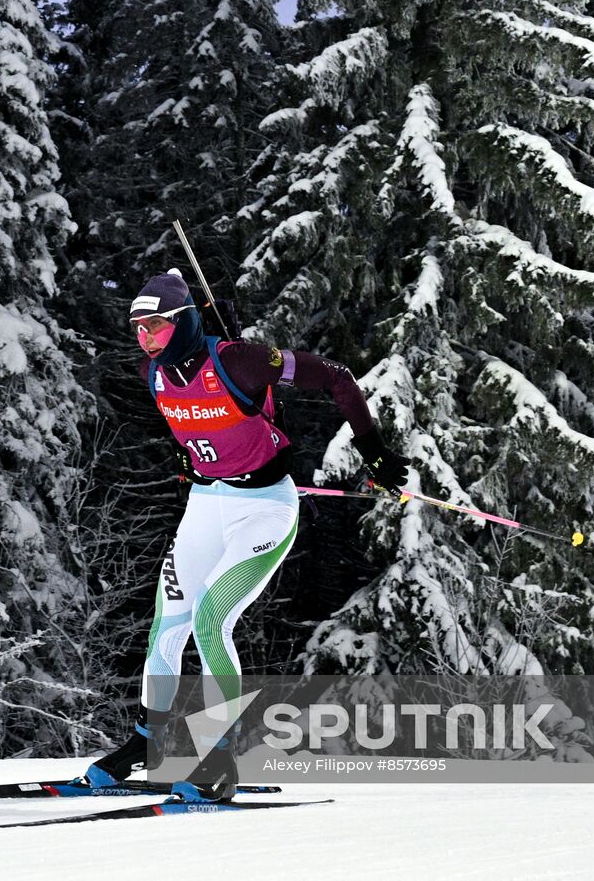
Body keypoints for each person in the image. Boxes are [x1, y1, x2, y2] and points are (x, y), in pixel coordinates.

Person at [84, 268, 409, 802]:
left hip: (263, 510)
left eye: (156, 326)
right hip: (206, 506)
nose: (145, 338)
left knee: (213, 618)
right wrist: (192, 464)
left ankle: (220, 756)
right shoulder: (156, 375)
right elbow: (200, 427)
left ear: (182, 321)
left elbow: (337, 377)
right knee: (167, 627)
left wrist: (372, 449)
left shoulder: (240, 360)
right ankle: (149, 743)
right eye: (137, 328)